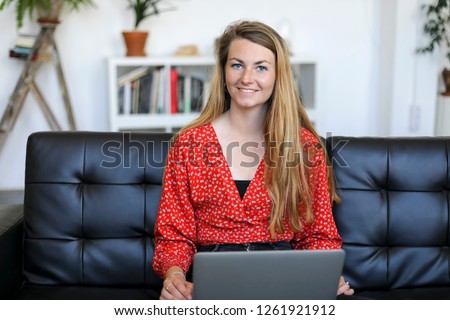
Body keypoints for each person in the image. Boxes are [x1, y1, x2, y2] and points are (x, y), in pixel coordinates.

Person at [153, 20, 354, 300]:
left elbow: (318, 233)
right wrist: (174, 277)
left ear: (277, 75)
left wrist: (330, 276)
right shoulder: (190, 143)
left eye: (261, 67)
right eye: (237, 65)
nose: (247, 78)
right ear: (223, 72)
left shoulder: (305, 147)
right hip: (214, 282)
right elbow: (175, 236)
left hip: (286, 280)